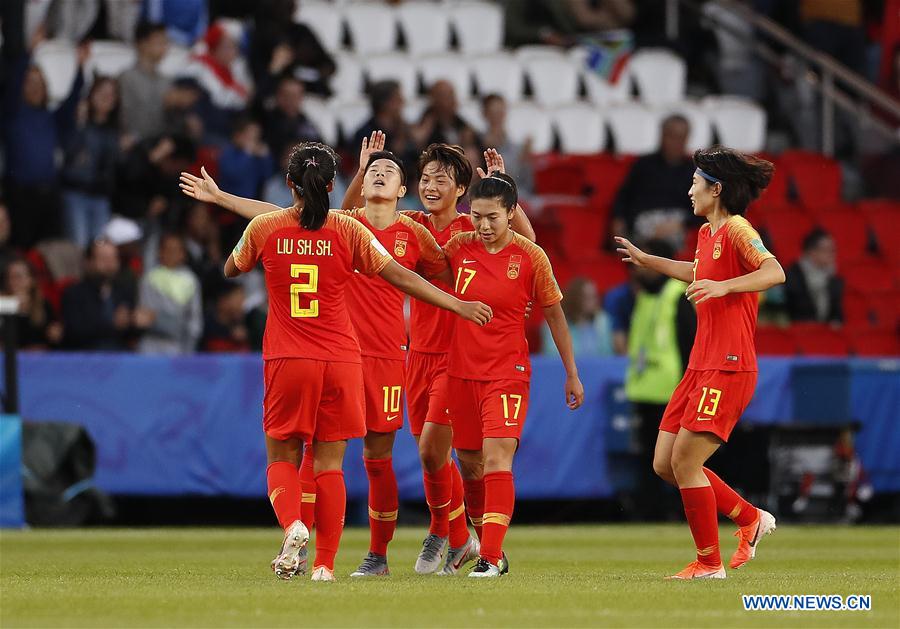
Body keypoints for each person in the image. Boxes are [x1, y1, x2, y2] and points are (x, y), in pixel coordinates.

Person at [209, 142, 492, 582]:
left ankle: (377, 546)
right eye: (372, 170)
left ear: (403, 191)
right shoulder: (349, 225)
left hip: (375, 356)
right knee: (330, 462)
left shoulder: (414, 231)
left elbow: (443, 270)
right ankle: (320, 559)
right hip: (343, 356)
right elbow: (304, 215)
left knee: (373, 458)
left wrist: (466, 302)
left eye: (388, 171)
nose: (379, 174)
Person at [343, 141, 536, 575]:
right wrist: (361, 173)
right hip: (417, 354)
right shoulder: (411, 224)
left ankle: (444, 531)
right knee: (433, 455)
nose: (430, 186)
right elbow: (349, 223)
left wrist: (504, 186)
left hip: (461, 356)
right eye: (425, 178)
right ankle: (465, 535)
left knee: (434, 448)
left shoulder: (474, 227)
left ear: (462, 188)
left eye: (441, 179)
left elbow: (526, 243)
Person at [615, 145, 786, 579]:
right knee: (664, 463)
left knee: (687, 464)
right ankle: (749, 518)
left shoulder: (737, 229)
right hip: (700, 366)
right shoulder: (708, 235)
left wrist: (726, 288)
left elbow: (774, 272)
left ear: (717, 189)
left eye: (696, 183)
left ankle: (709, 564)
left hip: (729, 364)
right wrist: (648, 260)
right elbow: (699, 271)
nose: (689, 190)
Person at [445, 172, 584, 577]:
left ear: (511, 213)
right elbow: (423, 278)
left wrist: (571, 372)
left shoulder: (529, 256)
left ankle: (488, 557)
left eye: (494, 217)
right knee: (469, 463)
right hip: (460, 371)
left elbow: (555, 314)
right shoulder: (459, 247)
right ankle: (490, 547)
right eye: (477, 216)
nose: (485, 226)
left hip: (507, 371)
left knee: (496, 458)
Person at [622, 239, 696, 520]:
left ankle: (679, 510)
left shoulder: (678, 295)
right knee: (649, 460)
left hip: (671, 390)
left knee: (675, 458)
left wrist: (689, 387)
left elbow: (689, 344)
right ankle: (651, 511)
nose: (640, 267)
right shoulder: (645, 296)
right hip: (645, 389)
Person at [3, 28, 88, 248]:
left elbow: (70, 105)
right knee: (22, 245)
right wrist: (29, 53)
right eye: (29, 82)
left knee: (49, 248)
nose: (35, 87)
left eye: (39, 82)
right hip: (20, 194)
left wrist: (80, 68)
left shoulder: (51, 117)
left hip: (49, 193)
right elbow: (11, 87)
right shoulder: (12, 113)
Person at [610, 115, 699, 251]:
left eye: (681, 137)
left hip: (675, 225)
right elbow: (623, 197)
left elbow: (702, 208)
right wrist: (618, 219)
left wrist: (681, 224)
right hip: (643, 223)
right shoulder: (643, 165)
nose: (676, 142)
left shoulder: (694, 172)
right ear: (662, 136)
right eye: (672, 136)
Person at [61, 76, 120, 249]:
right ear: (92, 94)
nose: (107, 97)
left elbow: (114, 166)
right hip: (76, 192)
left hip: (101, 196)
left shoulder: (115, 130)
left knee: (100, 246)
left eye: (112, 94)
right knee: (78, 244)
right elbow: (67, 151)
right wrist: (79, 122)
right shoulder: (79, 123)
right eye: (102, 92)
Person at [61, 238, 137, 351]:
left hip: (120, 360)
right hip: (85, 360)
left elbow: (131, 335)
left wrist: (134, 321)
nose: (110, 264)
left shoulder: (124, 291)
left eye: (114, 258)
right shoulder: (74, 293)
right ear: (88, 262)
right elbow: (73, 332)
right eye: (104, 259)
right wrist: (111, 324)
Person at [137, 232, 203, 354]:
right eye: (167, 249)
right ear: (159, 252)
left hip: (179, 347)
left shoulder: (191, 280)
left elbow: (195, 320)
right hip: (151, 346)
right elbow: (145, 317)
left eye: (175, 250)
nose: (171, 254)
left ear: (183, 254)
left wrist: (189, 349)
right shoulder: (150, 278)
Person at [118, 21, 171, 141]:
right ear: (142, 44)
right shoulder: (127, 78)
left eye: (166, 42)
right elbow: (124, 118)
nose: (165, 47)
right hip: (134, 145)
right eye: (160, 42)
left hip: (163, 146)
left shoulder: (166, 80)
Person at [541, 277, 614, 357]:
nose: (594, 302)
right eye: (587, 298)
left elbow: (607, 353)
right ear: (575, 299)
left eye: (594, 297)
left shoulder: (602, 321)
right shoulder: (555, 321)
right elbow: (552, 353)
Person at [479, 94, 534, 201]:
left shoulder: (518, 148)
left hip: (517, 194)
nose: (497, 117)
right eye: (493, 113)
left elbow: (527, 183)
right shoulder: (477, 142)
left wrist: (525, 159)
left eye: (500, 113)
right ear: (485, 114)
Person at [1, 257, 63, 349]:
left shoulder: (43, 304)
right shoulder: (2, 304)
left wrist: (55, 334)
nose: (13, 282)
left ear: (31, 280)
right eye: (10, 277)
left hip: (39, 359)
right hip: (9, 358)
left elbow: (54, 336)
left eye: (18, 277)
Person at [784, 228, 843, 324]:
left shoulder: (834, 280)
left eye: (833, 250)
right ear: (811, 251)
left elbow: (836, 315)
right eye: (827, 250)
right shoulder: (792, 276)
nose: (832, 255)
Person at [262, 76, 321, 161]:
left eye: (295, 95)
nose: (290, 99)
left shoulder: (307, 121)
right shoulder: (265, 120)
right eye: (285, 94)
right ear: (277, 95)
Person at [218, 117, 274, 201]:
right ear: (238, 135)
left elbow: (268, 176)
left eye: (255, 138)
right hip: (228, 200)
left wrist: (265, 158)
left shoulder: (256, 157)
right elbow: (233, 175)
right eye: (249, 137)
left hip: (251, 202)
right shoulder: (228, 152)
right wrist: (247, 153)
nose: (252, 142)